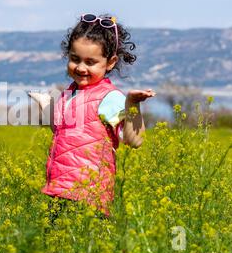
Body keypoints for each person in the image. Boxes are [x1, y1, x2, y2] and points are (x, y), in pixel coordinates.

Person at [29, 13, 156, 217]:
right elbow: (59, 128)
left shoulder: (109, 98)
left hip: (89, 198)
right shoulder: (69, 93)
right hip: (58, 192)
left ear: (111, 62)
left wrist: (132, 105)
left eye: (90, 62)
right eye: (74, 59)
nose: (80, 68)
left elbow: (135, 141)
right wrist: (45, 103)